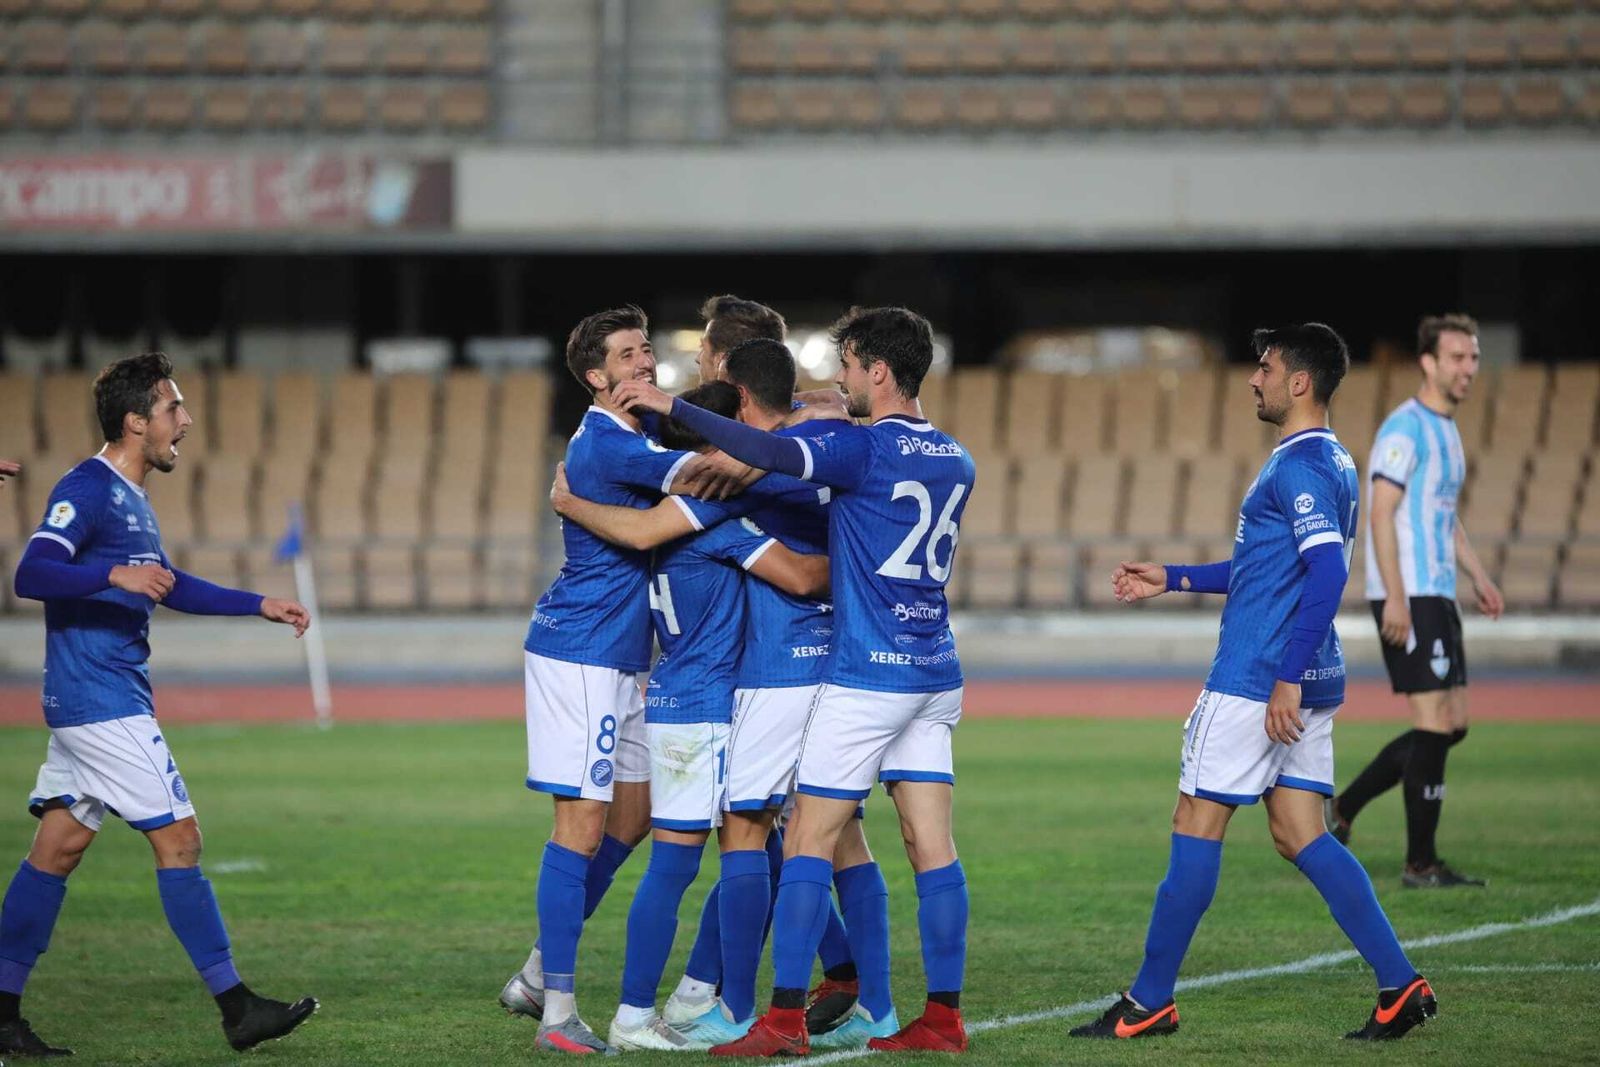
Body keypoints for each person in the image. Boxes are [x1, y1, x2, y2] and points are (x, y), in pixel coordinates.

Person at [612, 305, 977, 1056]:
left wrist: (672, 406)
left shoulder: (858, 449)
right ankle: (939, 1014)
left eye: (846, 365)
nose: (839, 381)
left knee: (804, 836)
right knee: (928, 841)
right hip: (937, 669)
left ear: (877, 369)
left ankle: (776, 1018)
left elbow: (772, 451)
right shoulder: (956, 456)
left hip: (868, 671)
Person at [1073, 324, 1436, 1043]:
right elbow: (1274, 572)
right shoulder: (1332, 460)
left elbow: (1329, 572)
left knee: (1194, 824)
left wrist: (1285, 678)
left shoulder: (1297, 466)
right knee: (1300, 831)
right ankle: (1401, 984)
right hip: (1306, 676)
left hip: (1255, 681)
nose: (1253, 378)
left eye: (1265, 367)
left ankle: (1150, 1001)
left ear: (1299, 381)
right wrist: (1173, 576)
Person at [3, 353, 316, 1056]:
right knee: (180, 839)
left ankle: (0, 1010)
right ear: (136, 420)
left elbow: (168, 584)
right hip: (102, 701)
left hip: (96, 700)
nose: (187, 420)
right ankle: (238, 1007)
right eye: (174, 408)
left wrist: (257, 602)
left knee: (57, 849)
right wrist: (110, 571)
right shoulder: (86, 486)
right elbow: (31, 570)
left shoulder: (134, 498)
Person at [549, 381, 833, 1050]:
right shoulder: (711, 515)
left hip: (675, 694)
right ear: (708, 449)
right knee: (689, 862)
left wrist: (570, 503)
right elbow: (799, 578)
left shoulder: (664, 517)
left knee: (704, 857)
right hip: (704, 705)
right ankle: (655, 1010)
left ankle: (686, 1004)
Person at [505, 305, 738, 1056]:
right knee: (577, 825)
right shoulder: (610, 441)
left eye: (646, 350)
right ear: (597, 376)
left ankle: (542, 969)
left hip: (621, 658)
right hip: (580, 653)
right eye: (628, 355)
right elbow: (712, 469)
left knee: (633, 815)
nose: (644, 362)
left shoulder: (630, 433)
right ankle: (557, 1012)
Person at [1325, 314, 1502, 888]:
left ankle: (1344, 807)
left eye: (1473, 358)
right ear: (1428, 362)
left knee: (1453, 725)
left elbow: (1444, 518)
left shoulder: (1447, 430)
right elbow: (1380, 512)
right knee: (1432, 724)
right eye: (1457, 357)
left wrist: (1477, 576)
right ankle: (1419, 864)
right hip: (1410, 594)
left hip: (1438, 592)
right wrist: (1395, 598)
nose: (1468, 369)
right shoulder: (1405, 428)